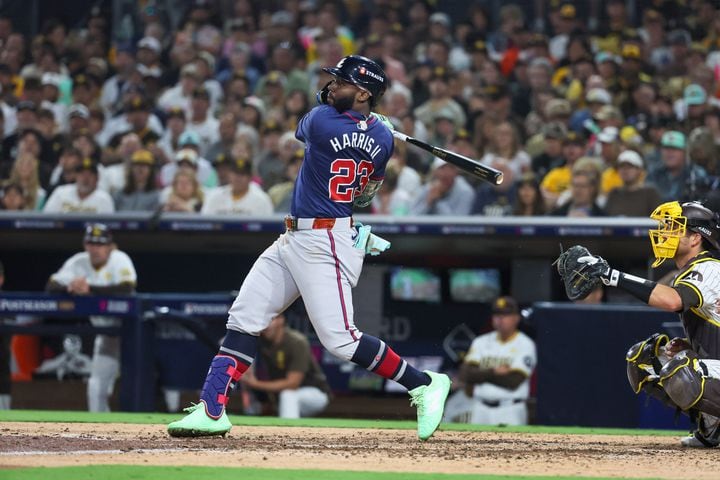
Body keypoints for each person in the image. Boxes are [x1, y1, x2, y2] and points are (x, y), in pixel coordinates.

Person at [168, 55, 451, 441]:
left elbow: (310, 126)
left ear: (364, 92)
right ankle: (211, 410)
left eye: (342, 82)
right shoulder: (383, 140)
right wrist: (372, 130)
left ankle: (423, 384)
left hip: (323, 243)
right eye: (334, 80)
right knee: (245, 316)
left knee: (341, 340)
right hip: (297, 237)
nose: (332, 86)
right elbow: (365, 196)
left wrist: (363, 125)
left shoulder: (320, 120)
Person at [566, 200, 720, 447]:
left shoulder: (709, 267)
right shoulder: (696, 269)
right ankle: (711, 427)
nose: (665, 232)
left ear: (695, 239)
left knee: (682, 369)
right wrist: (692, 345)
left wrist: (611, 276)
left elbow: (672, 301)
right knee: (646, 358)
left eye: (674, 227)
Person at [46, 223, 137, 412]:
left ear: (110, 245)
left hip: (131, 333)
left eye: (100, 244)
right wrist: (69, 287)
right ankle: (100, 434)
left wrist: (90, 290)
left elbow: (127, 288)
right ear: (85, 245)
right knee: (96, 388)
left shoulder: (119, 259)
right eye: (91, 243)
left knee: (135, 385)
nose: (95, 249)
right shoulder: (79, 261)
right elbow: (51, 285)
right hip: (107, 336)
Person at [458, 296, 537, 426]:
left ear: (516, 318)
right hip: (480, 408)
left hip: (510, 409)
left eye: (505, 315)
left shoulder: (525, 344)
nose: (500, 319)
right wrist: (493, 371)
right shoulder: (481, 341)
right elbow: (465, 374)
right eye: (497, 315)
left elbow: (513, 381)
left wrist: (479, 375)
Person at [241, 313, 331, 419]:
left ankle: (288, 433)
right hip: (283, 396)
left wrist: (256, 384)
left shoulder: (296, 341)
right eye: (263, 321)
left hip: (315, 393)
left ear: (281, 320)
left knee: (288, 395)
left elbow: (293, 383)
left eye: (270, 320)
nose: (266, 325)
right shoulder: (262, 340)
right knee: (285, 398)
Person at [604, 150, 661, 217]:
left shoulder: (650, 193)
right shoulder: (614, 193)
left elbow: (659, 221)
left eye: (630, 167)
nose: (625, 170)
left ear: (639, 170)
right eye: (622, 166)